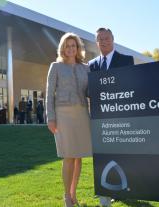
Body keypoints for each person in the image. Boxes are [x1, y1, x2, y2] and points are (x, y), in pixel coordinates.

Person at [88, 27, 134, 207]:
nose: (104, 41)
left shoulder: (126, 60)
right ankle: (108, 189)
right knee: (105, 154)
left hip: (122, 115)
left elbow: (131, 86)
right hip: (101, 118)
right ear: (96, 42)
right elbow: (91, 91)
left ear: (113, 39)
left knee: (122, 153)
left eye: (106, 38)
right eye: (100, 39)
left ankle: (122, 188)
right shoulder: (92, 64)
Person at [46, 32, 92, 207]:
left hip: (82, 113)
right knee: (68, 155)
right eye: (68, 45)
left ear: (78, 48)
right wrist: (50, 118)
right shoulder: (55, 66)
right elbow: (49, 95)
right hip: (63, 114)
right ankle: (67, 196)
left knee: (78, 156)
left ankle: (74, 195)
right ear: (63, 48)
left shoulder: (85, 68)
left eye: (74, 45)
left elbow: (90, 91)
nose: (71, 49)